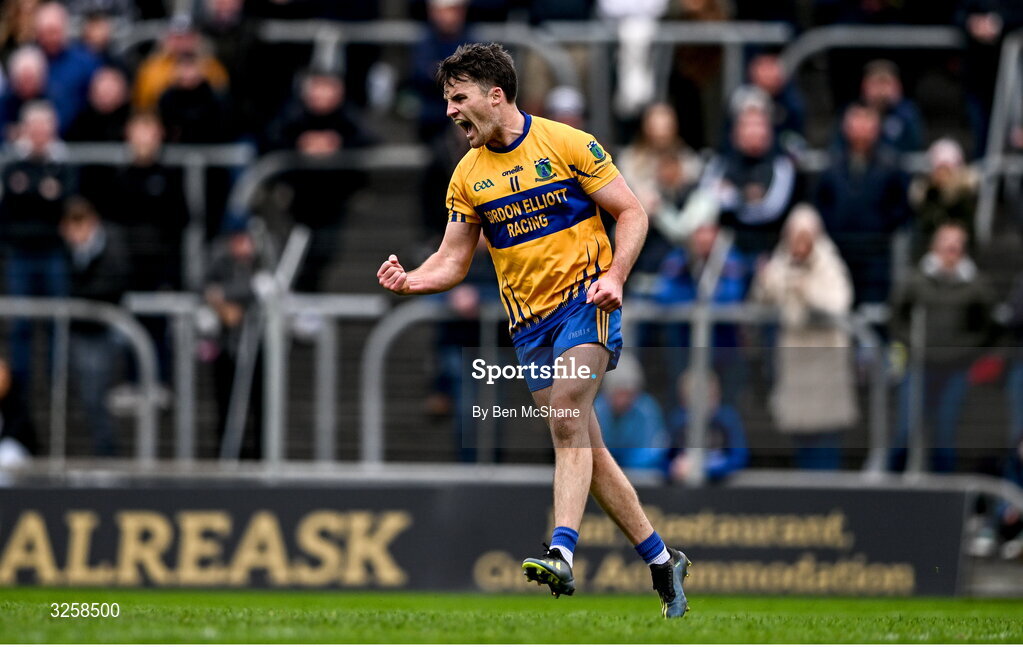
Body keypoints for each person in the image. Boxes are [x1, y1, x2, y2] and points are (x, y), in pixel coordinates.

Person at [377, 42, 691, 617]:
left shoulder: (568, 143)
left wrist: (617, 276)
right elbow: (452, 260)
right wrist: (411, 282)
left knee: (568, 416)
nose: (450, 111)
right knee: (586, 447)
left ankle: (562, 553)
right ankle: (662, 558)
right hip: (528, 326)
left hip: (587, 301)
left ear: (495, 97)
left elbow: (633, 212)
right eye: (446, 100)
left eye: (458, 98)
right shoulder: (466, 176)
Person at [753, 204, 858, 470]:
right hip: (796, 360)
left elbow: (839, 303)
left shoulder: (829, 263)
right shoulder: (781, 261)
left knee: (826, 435)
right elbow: (762, 301)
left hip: (825, 359)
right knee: (801, 436)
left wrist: (806, 288)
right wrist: (764, 282)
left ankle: (827, 496)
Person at [889, 222, 996, 472]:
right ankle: (890, 487)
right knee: (905, 430)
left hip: (955, 369)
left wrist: (966, 348)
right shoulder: (916, 279)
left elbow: (988, 326)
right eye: (946, 243)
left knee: (944, 437)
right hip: (919, 365)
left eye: (957, 244)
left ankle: (943, 497)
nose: (951, 249)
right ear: (934, 246)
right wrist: (912, 343)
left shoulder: (976, 285)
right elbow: (896, 316)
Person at [0, 101, 75, 384]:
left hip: (53, 252)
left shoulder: (62, 164)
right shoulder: (12, 166)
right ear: (25, 130)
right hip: (20, 253)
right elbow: (11, 206)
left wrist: (30, 192)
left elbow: (64, 204)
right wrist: (41, 193)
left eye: (45, 127)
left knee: (58, 319)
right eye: (34, 127)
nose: (40, 133)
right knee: (20, 323)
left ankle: (58, 379)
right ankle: (21, 381)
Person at [815, 101, 909, 306]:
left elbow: (901, 206)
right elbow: (821, 202)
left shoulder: (891, 164)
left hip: (875, 254)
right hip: (838, 251)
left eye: (867, 121)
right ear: (845, 126)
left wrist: (881, 228)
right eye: (856, 121)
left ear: (877, 127)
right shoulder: (832, 163)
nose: (861, 128)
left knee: (874, 312)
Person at [60, 196, 131, 456]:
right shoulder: (67, 250)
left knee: (97, 396)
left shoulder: (110, 244)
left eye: (82, 224)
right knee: (87, 399)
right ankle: (101, 452)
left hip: (104, 332)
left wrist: (82, 294)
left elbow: (114, 282)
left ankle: (108, 454)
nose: (77, 232)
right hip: (80, 332)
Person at [666, 370, 749, 483]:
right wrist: (673, 468)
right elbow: (664, 458)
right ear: (683, 402)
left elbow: (739, 458)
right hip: (682, 488)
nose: (703, 407)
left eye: (709, 398)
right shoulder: (678, 420)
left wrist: (704, 469)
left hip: (721, 489)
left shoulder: (728, 418)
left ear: (717, 396)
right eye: (693, 402)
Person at [593, 353, 670, 471]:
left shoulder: (647, 409)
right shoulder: (597, 409)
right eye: (619, 393)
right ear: (608, 392)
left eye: (629, 394)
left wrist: (623, 463)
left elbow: (655, 450)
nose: (624, 400)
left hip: (640, 477)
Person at [908, 138, 978, 259]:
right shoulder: (926, 195)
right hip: (926, 256)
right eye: (939, 169)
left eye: (947, 170)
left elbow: (970, 233)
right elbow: (922, 228)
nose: (942, 175)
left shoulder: (965, 197)